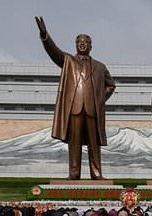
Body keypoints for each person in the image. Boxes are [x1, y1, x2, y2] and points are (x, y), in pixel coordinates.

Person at [35, 16, 116, 180]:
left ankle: (97, 173)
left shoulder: (100, 67)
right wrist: (45, 35)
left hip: (92, 110)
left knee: (94, 144)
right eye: (79, 42)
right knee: (75, 143)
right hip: (74, 108)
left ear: (91, 46)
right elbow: (54, 51)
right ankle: (74, 173)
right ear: (76, 45)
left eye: (85, 42)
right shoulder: (68, 61)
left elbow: (111, 85)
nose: (82, 44)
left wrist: (99, 99)